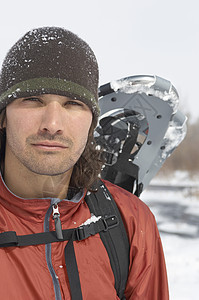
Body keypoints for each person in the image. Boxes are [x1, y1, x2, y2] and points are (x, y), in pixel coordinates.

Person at [0, 27, 169, 299]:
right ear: (3, 116)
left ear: (91, 122)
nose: (52, 125)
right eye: (33, 100)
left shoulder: (131, 222)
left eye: (73, 104)